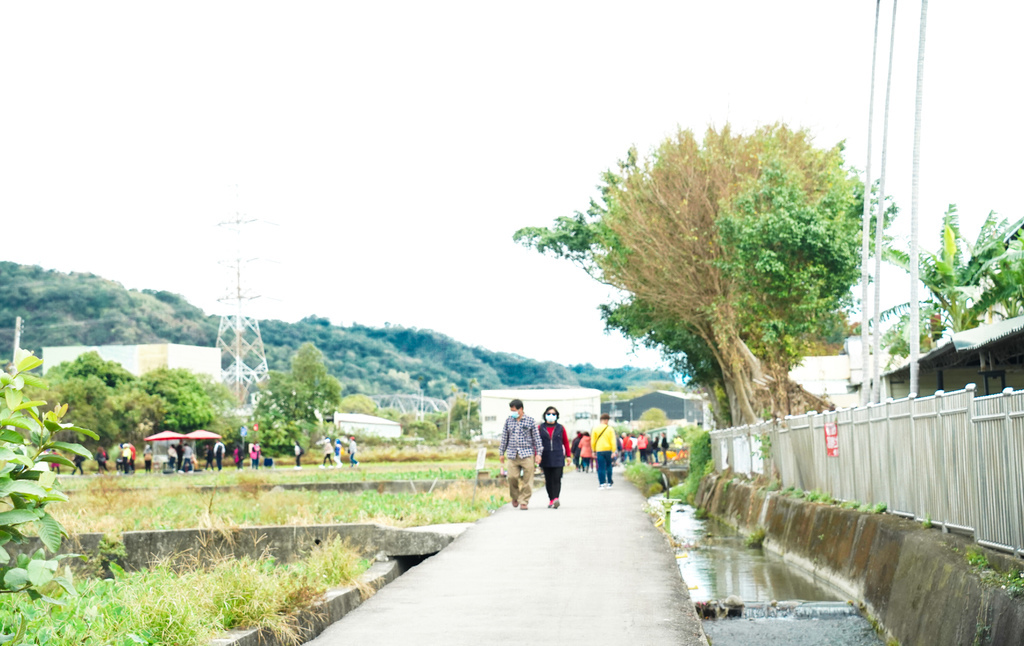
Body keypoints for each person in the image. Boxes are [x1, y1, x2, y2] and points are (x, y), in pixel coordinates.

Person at [498, 399, 542, 511]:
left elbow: (537, 439)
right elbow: (504, 437)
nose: (512, 413)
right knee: (512, 477)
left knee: (528, 479)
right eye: (511, 410)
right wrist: (501, 452)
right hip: (512, 454)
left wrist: (539, 454)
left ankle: (524, 501)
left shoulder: (530, 421)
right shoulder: (509, 421)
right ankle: (515, 496)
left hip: (527, 454)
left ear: (521, 409)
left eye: (514, 410)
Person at [538, 406, 570, 509]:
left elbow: (565, 442)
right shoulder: (540, 428)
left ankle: (556, 498)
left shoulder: (561, 428)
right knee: (548, 479)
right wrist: (537, 454)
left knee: (557, 478)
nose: (551, 416)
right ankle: (551, 498)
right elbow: (537, 442)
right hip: (545, 456)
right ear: (545, 415)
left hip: (558, 456)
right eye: (549, 414)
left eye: (553, 414)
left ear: (556, 416)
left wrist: (568, 456)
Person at [591, 413, 618, 489]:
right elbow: (613, 440)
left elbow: (593, 441)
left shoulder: (595, 429)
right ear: (606, 420)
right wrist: (613, 451)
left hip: (599, 450)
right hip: (608, 450)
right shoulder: (610, 429)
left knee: (601, 467)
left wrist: (593, 450)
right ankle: (609, 483)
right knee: (609, 466)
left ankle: (602, 483)